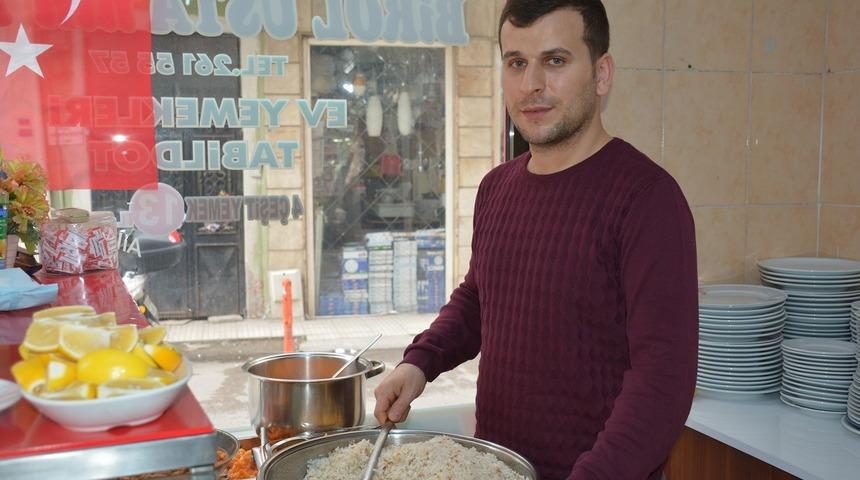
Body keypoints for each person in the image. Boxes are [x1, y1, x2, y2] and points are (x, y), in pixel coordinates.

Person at [373, 1, 698, 478]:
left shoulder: (648, 200)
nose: (531, 85)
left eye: (556, 61)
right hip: (497, 469)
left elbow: (663, 381)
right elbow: (481, 300)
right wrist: (420, 363)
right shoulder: (496, 189)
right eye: (517, 62)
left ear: (602, 74)